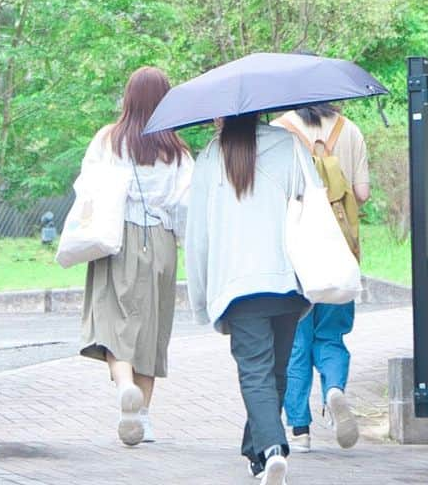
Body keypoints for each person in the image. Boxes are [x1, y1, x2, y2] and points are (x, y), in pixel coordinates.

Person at [185, 113, 311, 484]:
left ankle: (272, 449)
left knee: (256, 373)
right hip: (287, 279)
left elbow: (198, 235)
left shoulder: (211, 156)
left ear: (221, 114)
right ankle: (257, 455)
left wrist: (201, 295)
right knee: (274, 373)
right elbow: (312, 204)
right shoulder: (289, 145)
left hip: (238, 284)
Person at [79, 66, 193, 446]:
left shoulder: (108, 140)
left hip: (116, 239)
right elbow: (185, 206)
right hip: (160, 242)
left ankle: (123, 385)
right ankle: (142, 417)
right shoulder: (176, 149)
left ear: (128, 98)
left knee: (113, 321)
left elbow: (88, 186)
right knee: (152, 329)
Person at [272, 102, 370, 452]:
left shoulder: (278, 130)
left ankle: (300, 430)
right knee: (331, 336)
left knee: (296, 341)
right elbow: (361, 193)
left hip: (297, 255)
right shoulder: (350, 130)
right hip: (339, 254)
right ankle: (334, 391)